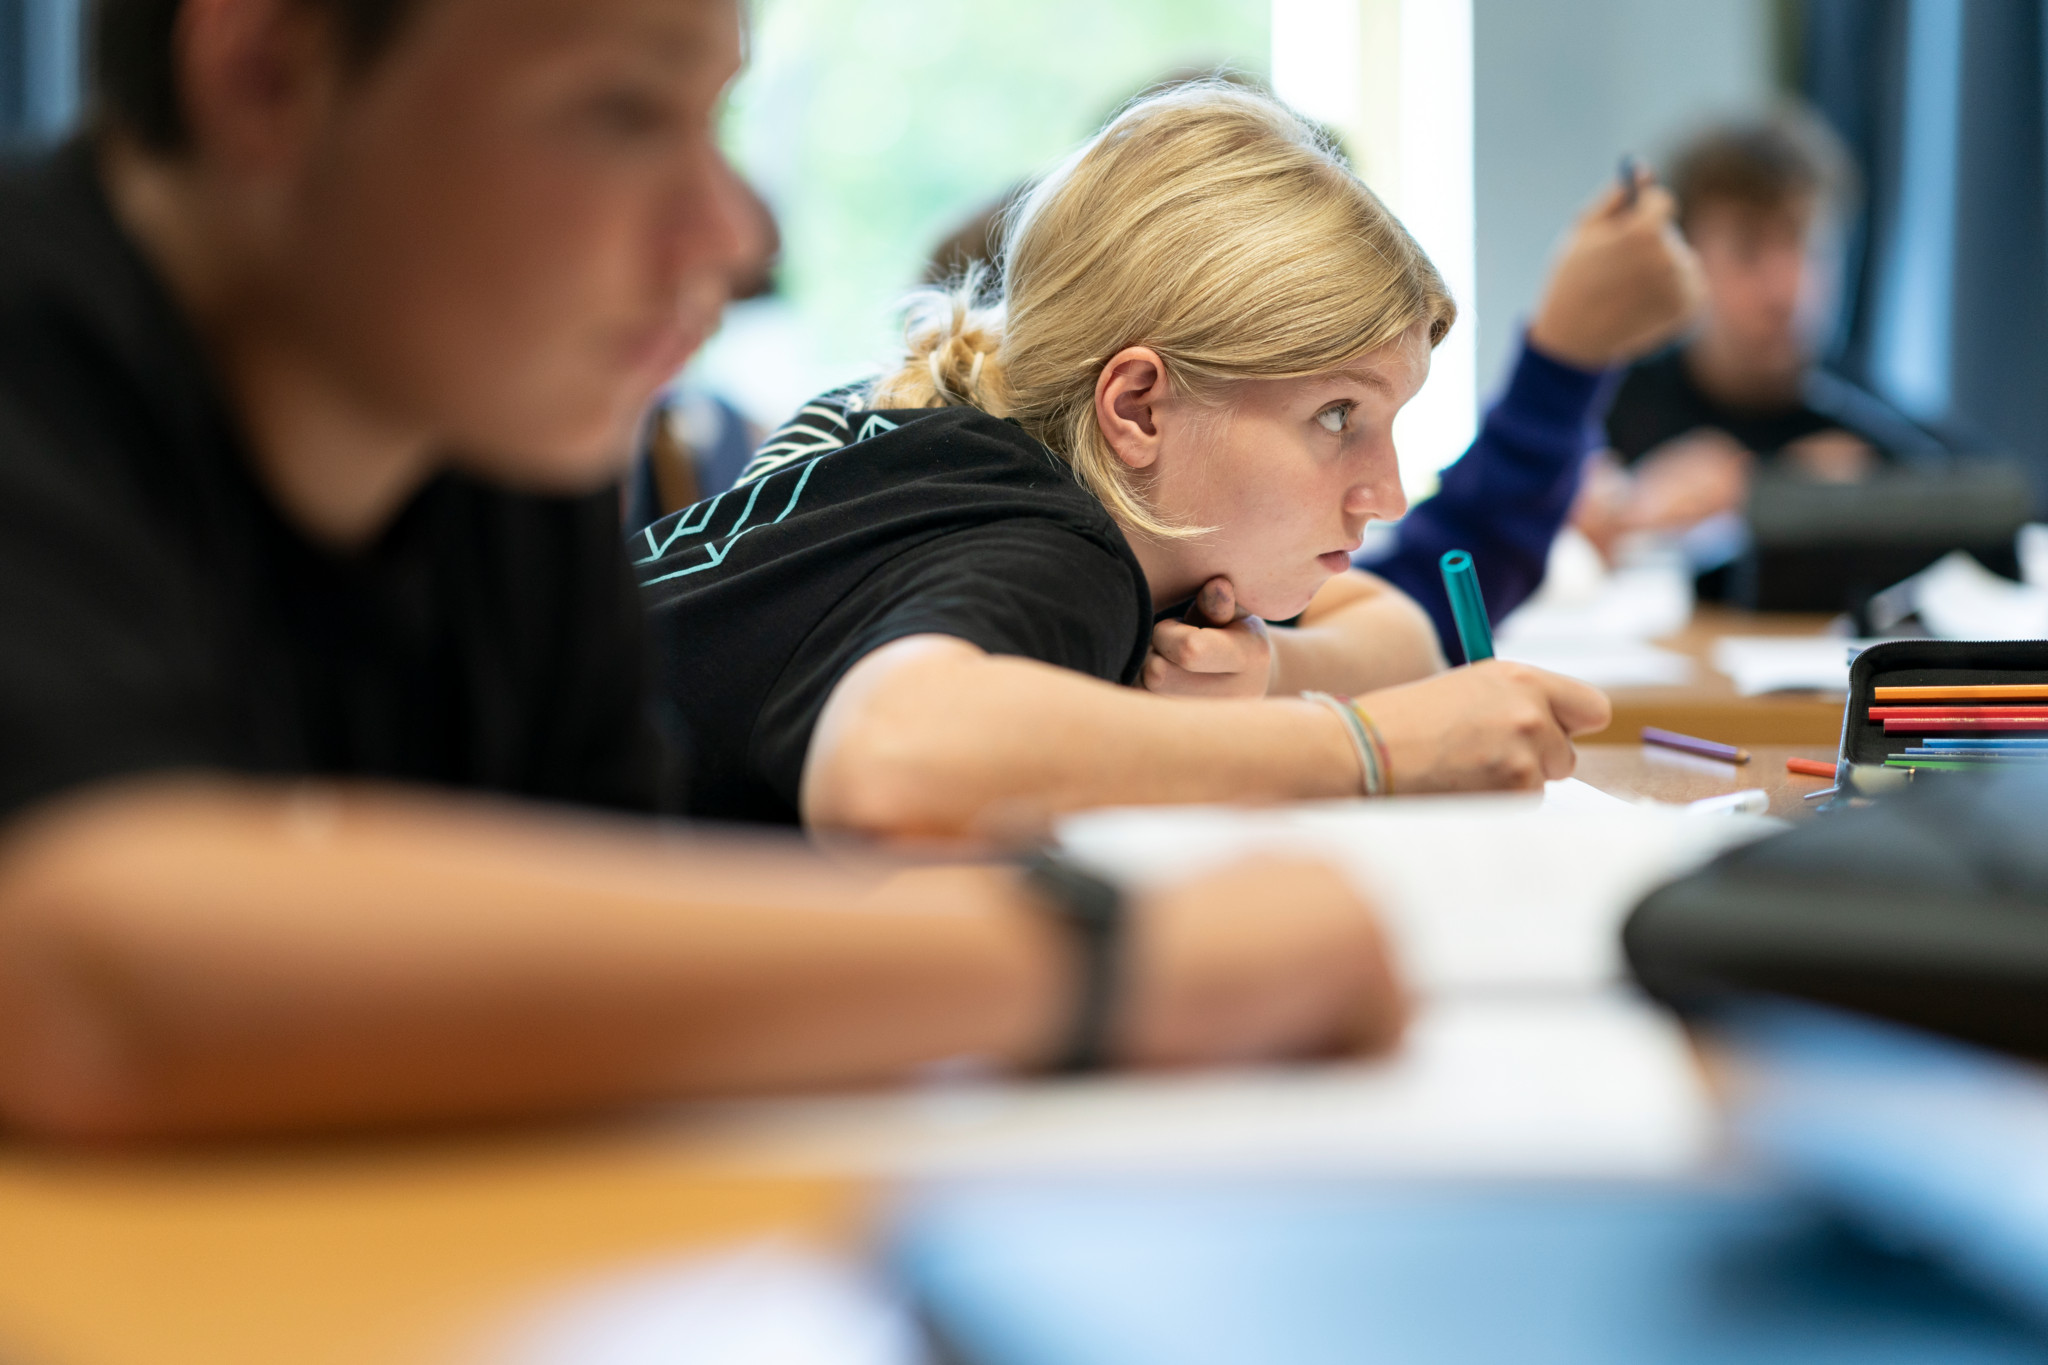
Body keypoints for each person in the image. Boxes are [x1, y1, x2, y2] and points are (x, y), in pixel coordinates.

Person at [0, 0, 1406, 1142]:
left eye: (715, 119)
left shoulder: (487, 437)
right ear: (266, 68)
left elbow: (576, 935)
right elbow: (86, 968)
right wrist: (1103, 966)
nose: (734, 233)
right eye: (620, 112)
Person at [636, 84, 1618, 839]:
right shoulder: (1063, 550)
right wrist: (1369, 748)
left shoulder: (903, 428)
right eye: (1333, 416)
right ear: (1138, 407)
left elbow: (1399, 637)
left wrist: (1266, 672)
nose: (1385, 490)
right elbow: (886, 761)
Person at [1573, 109, 1948, 573]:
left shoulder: (1861, 416)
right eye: (1747, 251)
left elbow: (2006, 506)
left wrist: (1858, 501)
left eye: (1806, 244)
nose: (1783, 289)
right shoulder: (1607, 407)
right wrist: (1616, 514)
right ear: (1685, 261)